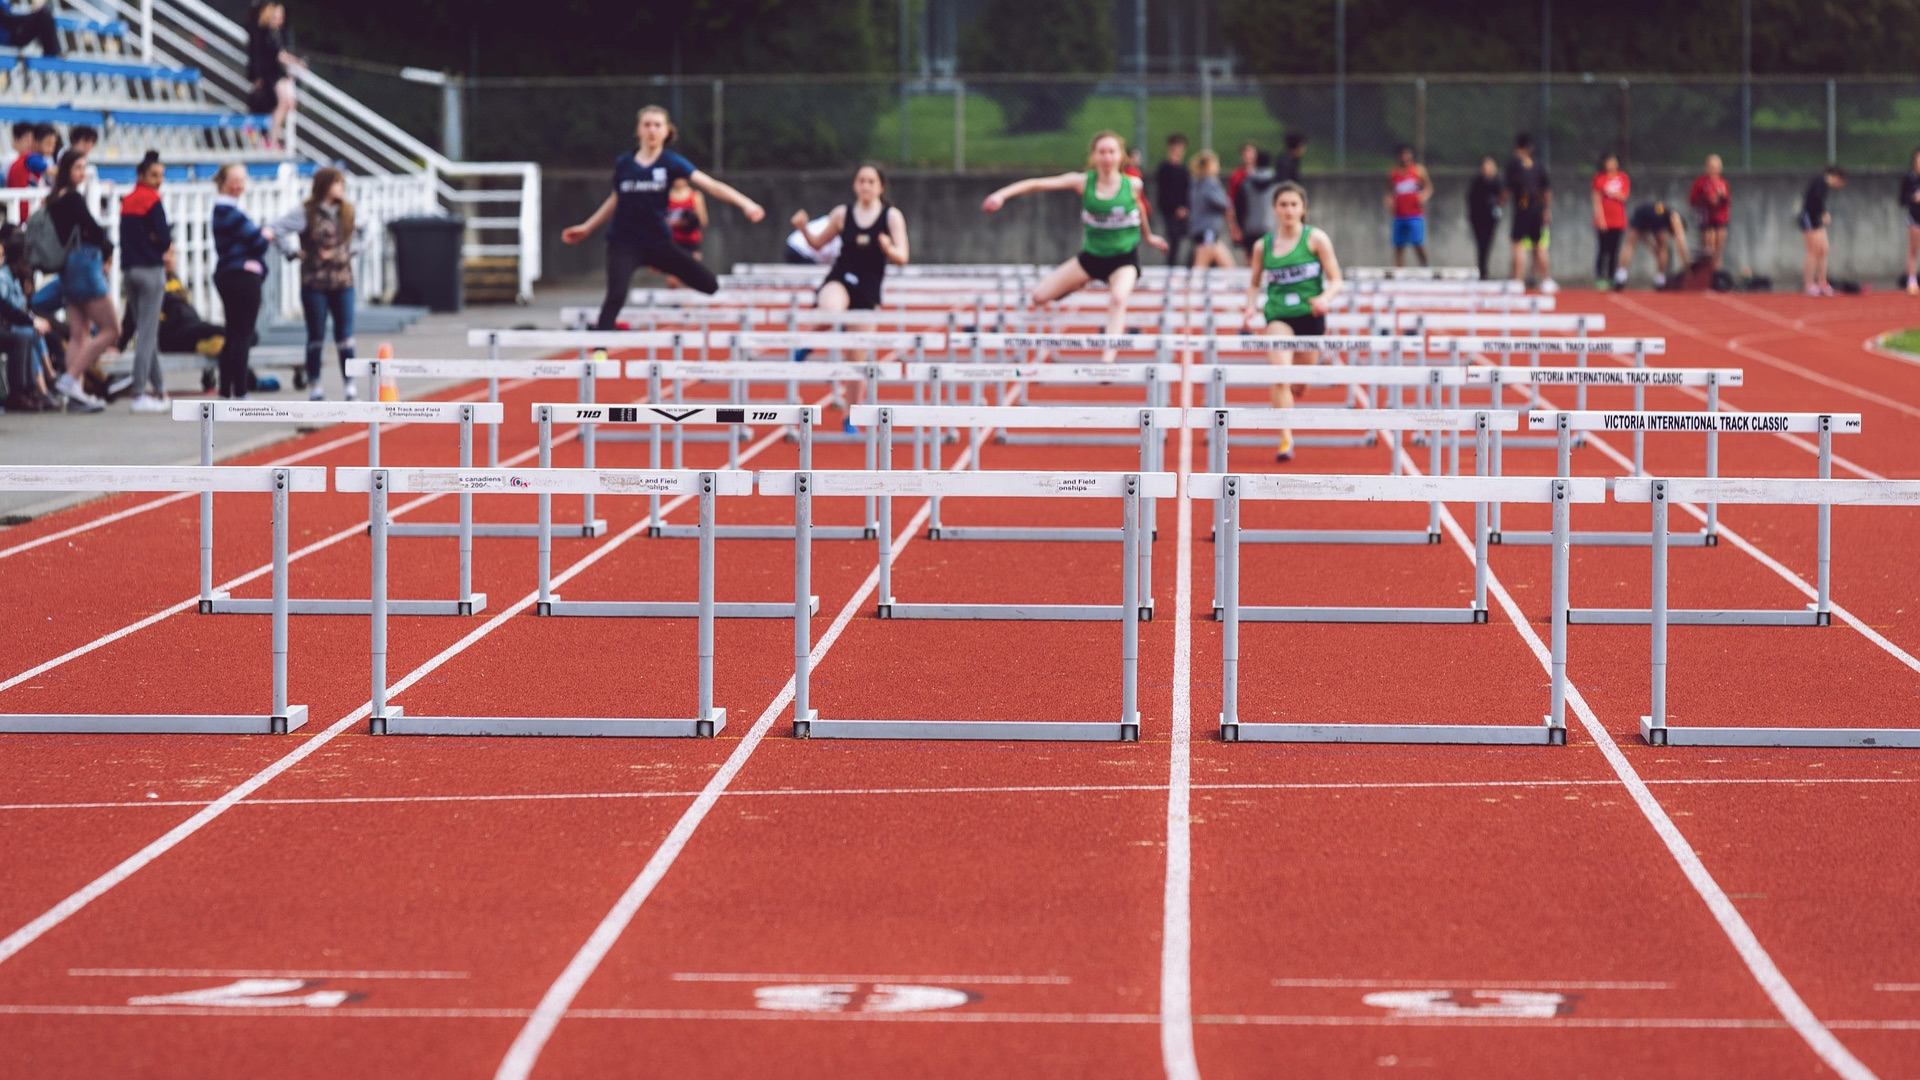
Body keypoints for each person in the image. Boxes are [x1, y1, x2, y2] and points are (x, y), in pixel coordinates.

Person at [564, 105, 765, 330]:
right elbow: (615, 199)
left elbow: (711, 185)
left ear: (666, 131)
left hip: (658, 243)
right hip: (623, 243)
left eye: (657, 125)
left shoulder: (671, 163)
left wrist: (746, 203)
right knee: (616, 295)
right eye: (647, 125)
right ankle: (599, 351)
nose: (652, 130)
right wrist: (587, 227)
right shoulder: (624, 163)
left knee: (709, 285)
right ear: (638, 130)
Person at [981, 130, 1168, 365]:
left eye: (1112, 152)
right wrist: (1001, 195)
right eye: (1102, 152)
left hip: (1124, 260)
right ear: (1094, 156)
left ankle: (1107, 361)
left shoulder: (1133, 185)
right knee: (1040, 296)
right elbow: (1038, 184)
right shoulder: (1082, 182)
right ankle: (1080, 282)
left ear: (1120, 156)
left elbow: (1139, 210)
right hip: (1091, 258)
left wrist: (1149, 237)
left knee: (1118, 299)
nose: (1107, 157)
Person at [789, 163, 910, 430]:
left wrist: (889, 249)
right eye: (861, 180)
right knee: (831, 311)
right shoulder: (842, 214)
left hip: (868, 288)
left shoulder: (891, 217)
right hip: (841, 278)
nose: (865, 186)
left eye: (870, 181)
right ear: (855, 185)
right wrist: (803, 228)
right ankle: (807, 345)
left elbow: (903, 257)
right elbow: (818, 244)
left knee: (857, 357)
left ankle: (850, 416)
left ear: (880, 186)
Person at [1243, 181, 1341, 463]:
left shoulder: (1316, 239)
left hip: (1310, 317)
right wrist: (1250, 307)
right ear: (1274, 209)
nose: (1288, 210)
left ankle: (1294, 394)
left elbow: (1336, 279)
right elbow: (1253, 283)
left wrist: (1325, 299)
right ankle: (1285, 436)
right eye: (1283, 205)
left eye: (1293, 205)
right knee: (1280, 374)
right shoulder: (1263, 246)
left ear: (1303, 209)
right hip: (1278, 317)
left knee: (1299, 385)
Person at [271, 165, 365, 400]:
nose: (341, 188)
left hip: (343, 282)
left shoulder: (347, 211)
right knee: (316, 335)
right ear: (324, 185)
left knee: (345, 336)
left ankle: (350, 385)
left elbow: (369, 228)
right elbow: (277, 229)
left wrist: (354, 251)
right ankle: (315, 385)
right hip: (314, 283)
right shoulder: (307, 212)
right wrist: (293, 252)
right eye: (337, 183)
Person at [45, 149, 116, 411]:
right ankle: (71, 378)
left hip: (68, 267)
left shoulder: (53, 199)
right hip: (85, 264)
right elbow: (95, 230)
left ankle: (75, 395)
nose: (82, 173)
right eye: (78, 168)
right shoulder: (72, 198)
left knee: (79, 334)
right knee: (111, 330)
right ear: (67, 170)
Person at [211, 163, 272, 399]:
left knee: (234, 332)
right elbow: (258, 242)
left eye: (242, 180)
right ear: (223, 182)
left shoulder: (225, 211)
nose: (239, 185)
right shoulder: (229, 213)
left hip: (229, 274)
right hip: (241, 276)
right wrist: (264, 234)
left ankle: (226, 390)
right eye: (234, 180)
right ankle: (240, 390)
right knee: (242, 334)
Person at [119, 151, 172, 413]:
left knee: (145, 332)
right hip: (150, 270)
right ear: (141, 175)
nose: (158, 180)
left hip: (130, 270)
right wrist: (154, 238)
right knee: (147, 334)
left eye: (161, 175)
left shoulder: (127, 200)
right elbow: (164, 238)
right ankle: (139, 392)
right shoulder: (152, 200)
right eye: (154, 175)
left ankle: (159, 388)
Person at [246, 2, 305, 147]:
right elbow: (278, 56)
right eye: (276, 16)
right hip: (272, 76)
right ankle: (272, 138)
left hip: (277, 75)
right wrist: (297, 62)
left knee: (288, 103)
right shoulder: (264, 32)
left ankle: (273, 137)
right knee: (284, 103)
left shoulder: (276, 33)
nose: (279, 19)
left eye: (280, 16)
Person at [1505, 133, 1554, 293]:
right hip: (1538, 209)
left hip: (1522, 208)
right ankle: (1546, 280)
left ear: (1516, 147)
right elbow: (1547, 190)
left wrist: (1499, 202)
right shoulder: (1538, 164)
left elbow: (1506, 189)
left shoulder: (1513, 164)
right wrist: (1546, 210)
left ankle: (1518, 280)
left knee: (1518, 244)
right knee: (1538, 245)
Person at [1619, 200, 1689, 289]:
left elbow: (1642, 235)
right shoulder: (1676, 217)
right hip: (1656, 215)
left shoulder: (1659, 210)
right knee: (1663, 248)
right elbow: (1681, 243)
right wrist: (1686, 264)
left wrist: (1652, 246)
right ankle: (1660, 279)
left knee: (1629, 244)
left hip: (1641, 212)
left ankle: (1621, 276)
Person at [1800, 165, 1845, 297]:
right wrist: (1823, 213)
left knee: (1824, 250)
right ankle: (1808, 284)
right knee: (1812, 251)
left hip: (1816, 220)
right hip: (1810, 219)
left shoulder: (1824, 186)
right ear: (1836, 177)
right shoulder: (1820, 182)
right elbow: (1814, 200)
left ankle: (1822, 282)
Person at [1386, 144, 1433, 268]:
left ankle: (1425, 265)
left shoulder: (1418, 171)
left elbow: (1429, 187)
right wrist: (1389, 200)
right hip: (1399, 215)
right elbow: (1390, 191)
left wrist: (1424, 196)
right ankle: (1399, 270)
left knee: (1417, 242)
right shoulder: (1393, 173)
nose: (1405, 157)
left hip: (1415, 214)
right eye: (1402, 154)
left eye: (1407, 154)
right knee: (1399, 245)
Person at [1187, 150, 1234, 270]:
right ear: (1209, 166)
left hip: (1204, 230)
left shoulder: (1197, 183)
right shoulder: (1210, 183)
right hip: (1208, 231)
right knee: (1200, 268)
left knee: (1229, 267)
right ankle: (1192, 288)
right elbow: (1224, 203)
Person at [1591, 152, 1630, 290]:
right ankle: (1600, 277)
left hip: (1618, 221)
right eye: (1609, 162)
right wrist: (1601, 219)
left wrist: (1610, 192)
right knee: (1603, 249)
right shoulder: (1599, 179)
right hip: (1604, 220)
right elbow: (1596, 199)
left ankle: (1612, 276)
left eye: (1614, 161)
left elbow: (1624, 196)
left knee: (1614, 250)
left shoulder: (1623, 178)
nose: (1612, 164)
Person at [1689, 154, 1731, 273]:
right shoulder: (1701, 182)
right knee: (1709, 249)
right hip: (1706, 219)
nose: (1713, 169)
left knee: (1718, 250)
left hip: (1720, 219)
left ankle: (1717, 274)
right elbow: (1693, 201)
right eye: (1711, 166)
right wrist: (1706, 199)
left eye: (1716, 166)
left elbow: (1727, 201)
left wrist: (1721, 198)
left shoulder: (1723, 183)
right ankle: (1707, 274)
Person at [1236, 152, 1280, 261]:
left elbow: (1240, 207)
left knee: (1250, 259)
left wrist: (1240, 226)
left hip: (1250, 226)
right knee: (1269, 258)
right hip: (1269, 225)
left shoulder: (1246, 183)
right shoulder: (1277, 183)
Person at [664, 175, 707, 288]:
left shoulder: (695, 196)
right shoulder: (665, 196)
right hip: (673, 242)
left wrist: (689, 221)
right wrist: (676, 222)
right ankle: (674, 304)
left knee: (692, 279)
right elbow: (660, 220)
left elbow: (703, 221)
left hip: (691, 242)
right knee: (673, 281)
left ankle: (689, 305)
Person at [1154, 134, 1190, 267]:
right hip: (1169, 211)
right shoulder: (1164, 168)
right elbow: (1164, 192)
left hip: (1183, 210)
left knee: (1184, 238)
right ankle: (1171, 266)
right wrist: (1175, 208)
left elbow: (1186, 190)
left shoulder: (1183, 169)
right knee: (1173, 238)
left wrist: (1185, 208)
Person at [1466, 156, 1503, 280]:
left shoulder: (1497, 183)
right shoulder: (1477, 183)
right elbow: (1471, 200)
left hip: (1491, 220)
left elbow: (1501, 199)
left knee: (1487, 244)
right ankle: (1483, 271)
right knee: (1481, 244)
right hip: (1478, 219)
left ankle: (1484, 270)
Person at [1226, 141, 1258, 250]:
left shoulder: (1263, 174)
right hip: (1244, 219)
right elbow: (1230, 201)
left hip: (1260, 219)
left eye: (1251, 153)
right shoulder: (1237, 175)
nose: (1249, 156)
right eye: (1246, 153)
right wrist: (1233, 226)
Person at [1900, 148, 1920, 295]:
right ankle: (1911, 281)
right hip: (1915, 218)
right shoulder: (1910, 178)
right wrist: (1914, 197)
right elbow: (1901, 199)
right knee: (1913, 250)